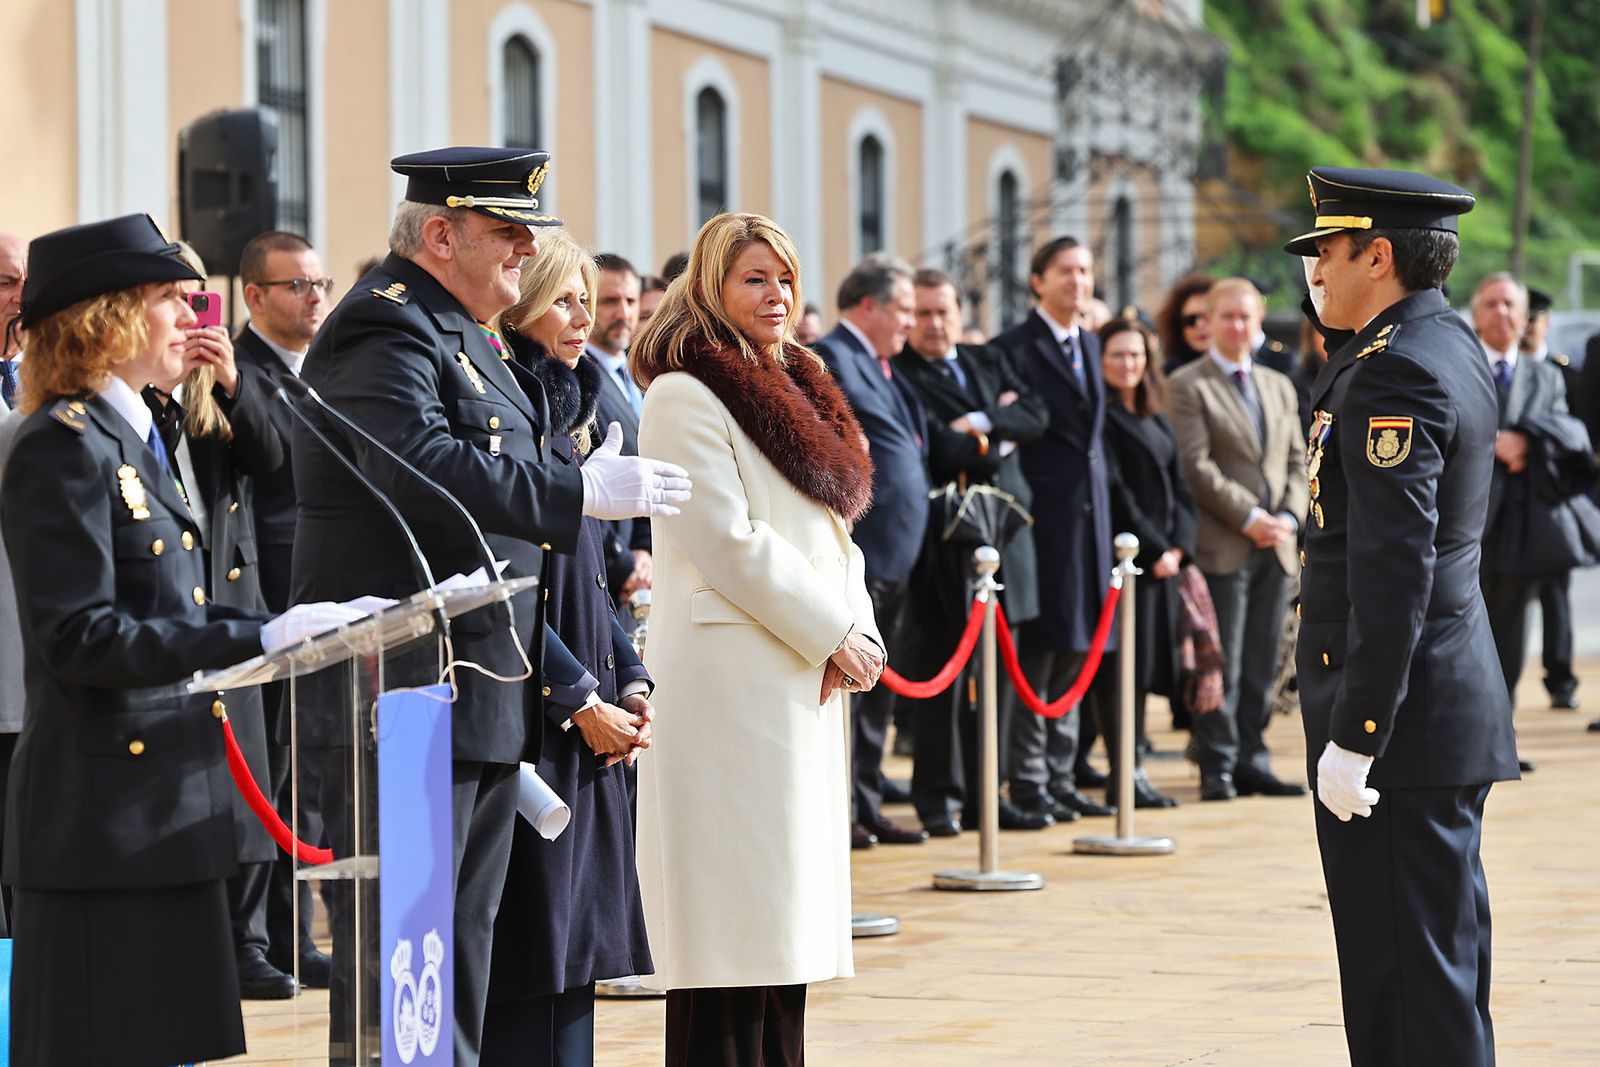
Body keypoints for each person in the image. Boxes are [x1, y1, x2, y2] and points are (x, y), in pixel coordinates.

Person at [291, 146, 689, 1065]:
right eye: (507, 234)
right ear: (440, 233)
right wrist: (576, 492)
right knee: (409, 981)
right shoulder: (383, 330)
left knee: (458, 962)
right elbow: (418, 465)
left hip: (475, 689)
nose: (523, 252)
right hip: (401, 693)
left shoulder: (469, 331)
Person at [0, 212, 365, 1065]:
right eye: (171, 299)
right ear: (110, 317)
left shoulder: (134, 436)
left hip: (167, 807)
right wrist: (254, 635)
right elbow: (80, 637)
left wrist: (262, 635)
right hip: (104, 819)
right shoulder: (63, 445)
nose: (194, 317)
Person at [632, 212, 882, 1066]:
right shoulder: (683, 391)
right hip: (730, 681)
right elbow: (726, 541)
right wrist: (833, 632)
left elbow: (834, 532)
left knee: (782, 932)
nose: (774, 295)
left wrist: (858, 630)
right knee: (728, 936)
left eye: (783, 278)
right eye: (753, 279)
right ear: (710, 285)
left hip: (798, 673)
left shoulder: (797, 380)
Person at [1288, 166, 1520, 1067]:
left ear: (1378, 255)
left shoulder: (1395, 373)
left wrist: (1358, 733)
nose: (1315, 276)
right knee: (1439, 969)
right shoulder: (1442, 342)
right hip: (1438, 710)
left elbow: (1395, 570)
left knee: (1405, 985)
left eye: (1327, 254)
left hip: (1402, 722)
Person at [481, 230, 654, 1065]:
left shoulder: (566, 418)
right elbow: (504, 590)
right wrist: (577, 694)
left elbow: (592, 580)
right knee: (530, 962)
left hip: (592, 716)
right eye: (565, 297)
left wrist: (632, 676)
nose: (584, 315)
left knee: (577, 961)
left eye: (589, 297)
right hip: (532, 713)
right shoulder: (509, 414)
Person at [151, 243, 298, 999]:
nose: (188, 314)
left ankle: (248, 937)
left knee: (250, 774)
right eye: (172, 296)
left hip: (230, 601)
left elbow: (277, 462)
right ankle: (201, 933)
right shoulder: (122, 402)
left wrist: (234, 382)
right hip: (165, 610)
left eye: (195, 296)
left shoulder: (221, 386)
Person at [893, 268, 1048, 836]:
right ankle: (937, 795)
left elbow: (1037, 413)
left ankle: (990, 792)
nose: (935, 324)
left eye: (944, 312)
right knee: (944, 673)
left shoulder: (986, 361)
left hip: (1009, 535)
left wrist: (984, 424)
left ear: (961, 314)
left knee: (1004, 673)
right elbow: (940, 445)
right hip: (948, 545)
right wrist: (994, 439)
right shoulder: (903, 375)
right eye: (924, 313)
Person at [232, 228, 335, 987]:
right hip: (260, 595)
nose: (315, 297)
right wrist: (239, 393)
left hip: (320, 592)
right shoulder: (234, 368)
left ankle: (296, 935)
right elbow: (271, 459)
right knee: (259, 775)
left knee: (306, 777)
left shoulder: (318, 370)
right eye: (297, 285)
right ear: (254, 296)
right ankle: (248, 939)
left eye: (319, 283)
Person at [1167, 277, 1308, 801]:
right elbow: (1196, 466)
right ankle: (1217, 764)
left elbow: (1297, 459)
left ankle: (1253, 755)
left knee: (1262, 660)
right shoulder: (1187, 384)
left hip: (1276, 544)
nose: (1237, 326)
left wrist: (1289, 518)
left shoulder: (1278, 384)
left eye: (1246, 317)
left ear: (1260, 318)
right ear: (1207, 321)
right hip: (1223, 543)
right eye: (1226, 316)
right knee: (1219, 662)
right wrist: (1249, 516)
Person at [992, 236, 1117, 824]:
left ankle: (1062, 774)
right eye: (1065, 271)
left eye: (1085, 271)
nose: (1078, 281)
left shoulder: (1089, 344)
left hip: (1088, 520)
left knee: (1078, 648)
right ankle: (1030, 776)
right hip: (1038, 520)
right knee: (1039, 653)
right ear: (1038, 280)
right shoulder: (1013, 347)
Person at [814, 254, 929, 848]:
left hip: (896, 553)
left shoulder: (882, 365)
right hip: (867, 547)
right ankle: (849, 807)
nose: (910, 321)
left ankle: (869, 797)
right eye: (903, 308)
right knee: (856, 684)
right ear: (867, 306)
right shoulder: (836, 356)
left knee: (878, 691)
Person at [1473, 273, 1575, 766]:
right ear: (1476, 314)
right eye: (1491, 304)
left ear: (1525, 316)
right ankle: (1459, 739)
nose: (1502, 314)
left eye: (1510, 305)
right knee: (1461, 637)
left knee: (1510, 637)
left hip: (1521, 529)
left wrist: (1528, 441)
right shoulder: (1460, 366)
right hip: (1465, 530)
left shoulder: (1546, 375)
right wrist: (1487, 444)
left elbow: (1566, 434)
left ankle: (1498, 740)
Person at [1098, 315, 1191, 809]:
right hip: (1131, 564)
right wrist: (1157, 548)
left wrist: (1180, 545)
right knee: (1122, 673)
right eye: (1116, 354)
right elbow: (1118, 493)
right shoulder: (1104, 417)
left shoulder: (1154, 415)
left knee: (1144, 671)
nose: (1127, 363)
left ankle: (1134, 769)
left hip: (1163, 565)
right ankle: (1123, 772)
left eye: (1135, 354)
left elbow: (1179, 487)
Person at [1520, 287, 1581, 712]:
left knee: (1556, 597)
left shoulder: (1566, 373)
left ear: (1545, 323)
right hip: (1509, 504)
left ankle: (1561, 678)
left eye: (1533, 317)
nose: (1527, 325)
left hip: (1551, 500)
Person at [587, 254, 653, 613]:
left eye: (630, 301)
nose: (623, 312)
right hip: (604, 570)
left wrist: (646, 550)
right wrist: (625, 561)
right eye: (609, 301)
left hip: (643, 564)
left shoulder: (640, 377)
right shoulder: (577, 376)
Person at [1156, 272, 1215, 376]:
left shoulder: (1244, 367)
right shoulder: (1171, 374)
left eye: (1207, 317)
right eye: (1190, 320)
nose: (1199, 324)